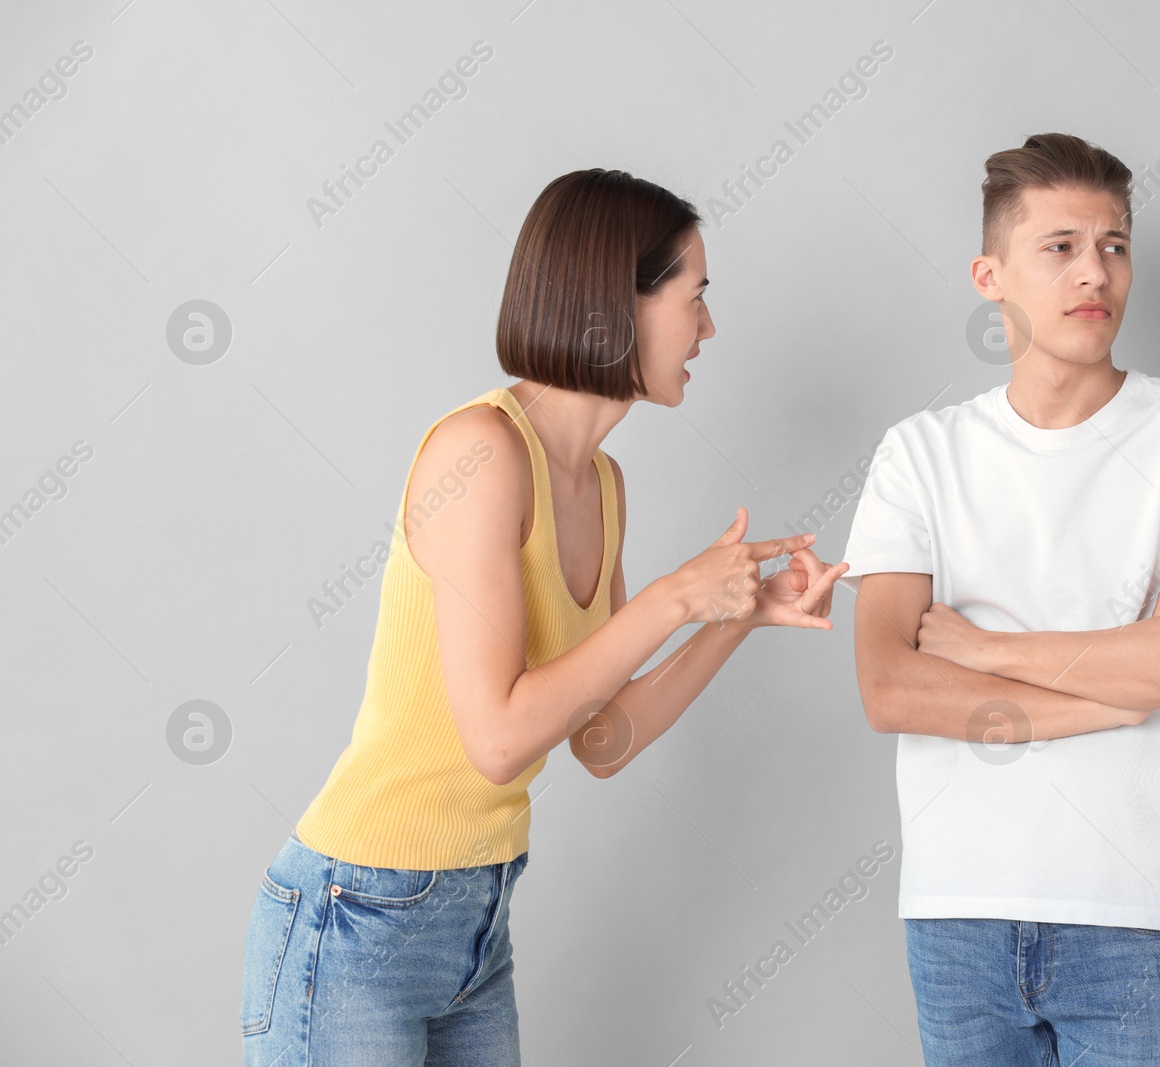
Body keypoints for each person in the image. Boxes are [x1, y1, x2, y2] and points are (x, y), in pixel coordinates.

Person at [239, 168, 849, 1066]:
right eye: (695, 297)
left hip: (475, 925)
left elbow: (600, 739)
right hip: (356, 915)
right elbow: (496, 739)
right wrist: (674, 597)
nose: (708, 328)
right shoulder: (479, 454)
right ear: (619, 303)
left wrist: (732, 618)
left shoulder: (602, 485)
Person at [842, 132, 1160, 1066]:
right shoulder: (919, 454)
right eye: (1061, 247)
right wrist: (1126, 682)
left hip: (1134, 912)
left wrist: (987, 650)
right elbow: (891, 689)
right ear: (989, 274)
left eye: (1114, 245)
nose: (1096, 272)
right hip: (958, 915)